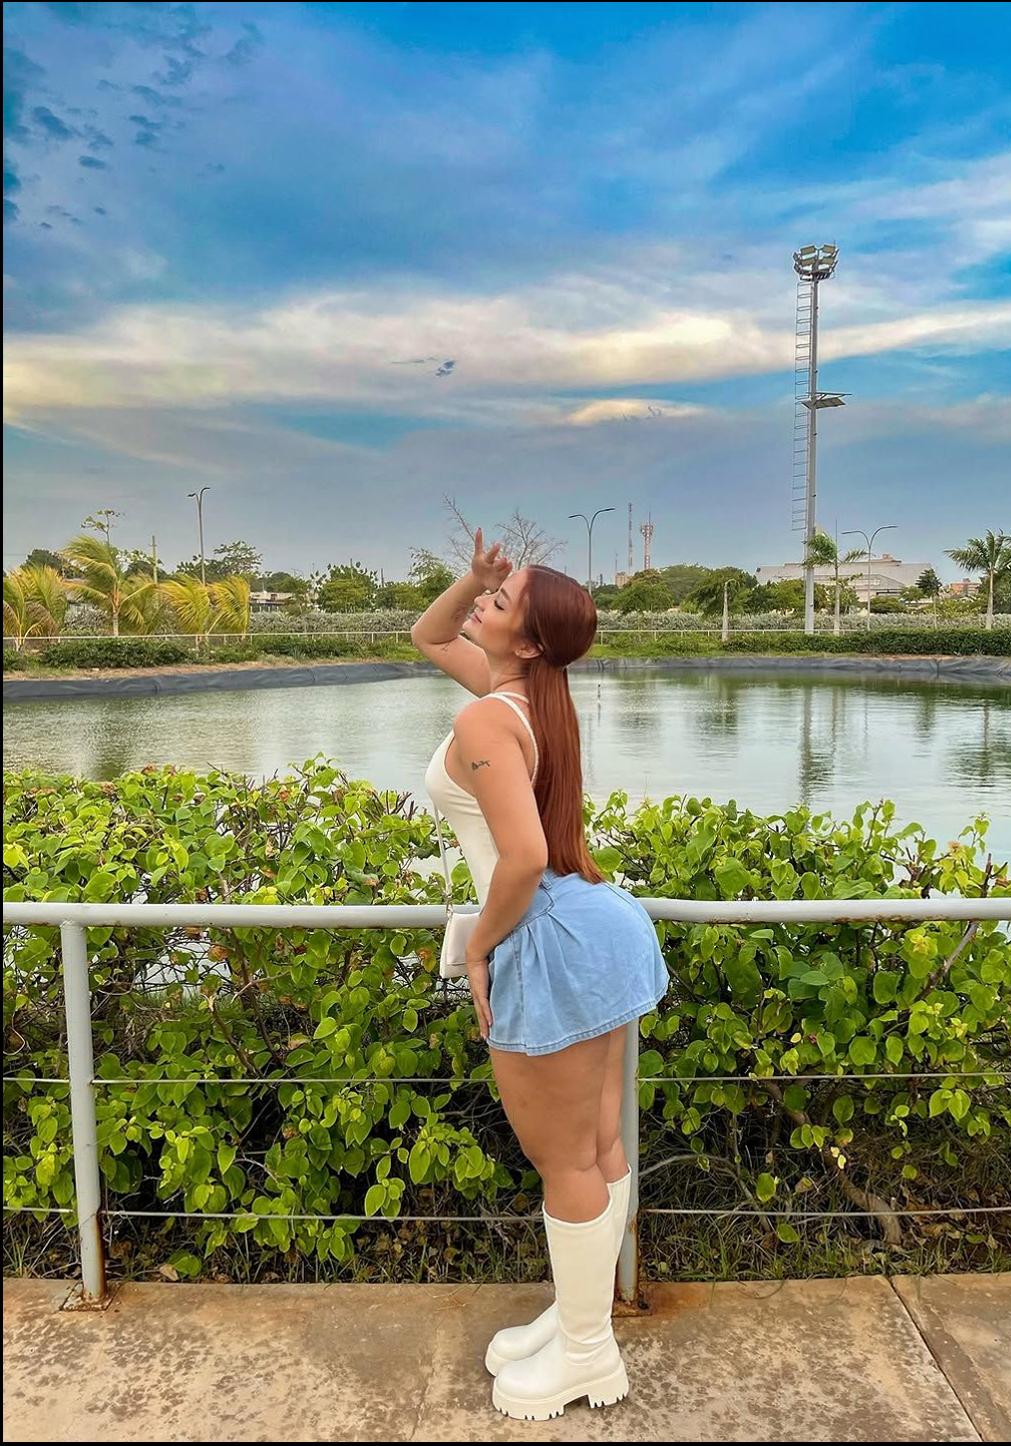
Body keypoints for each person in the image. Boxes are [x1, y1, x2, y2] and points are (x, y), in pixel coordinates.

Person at [414, 528, 669, 1421]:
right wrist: (471, 579)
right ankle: (578, 1319)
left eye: (500, 599)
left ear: (526, 643)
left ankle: (588, 1354)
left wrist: (477, 947)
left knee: (562, 1158)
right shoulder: (527, 699)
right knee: (597, 1146)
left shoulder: (488, 717)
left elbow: (520, 860)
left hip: (548, 936)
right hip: (594, 925)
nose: (483, 603)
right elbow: (428, 635)